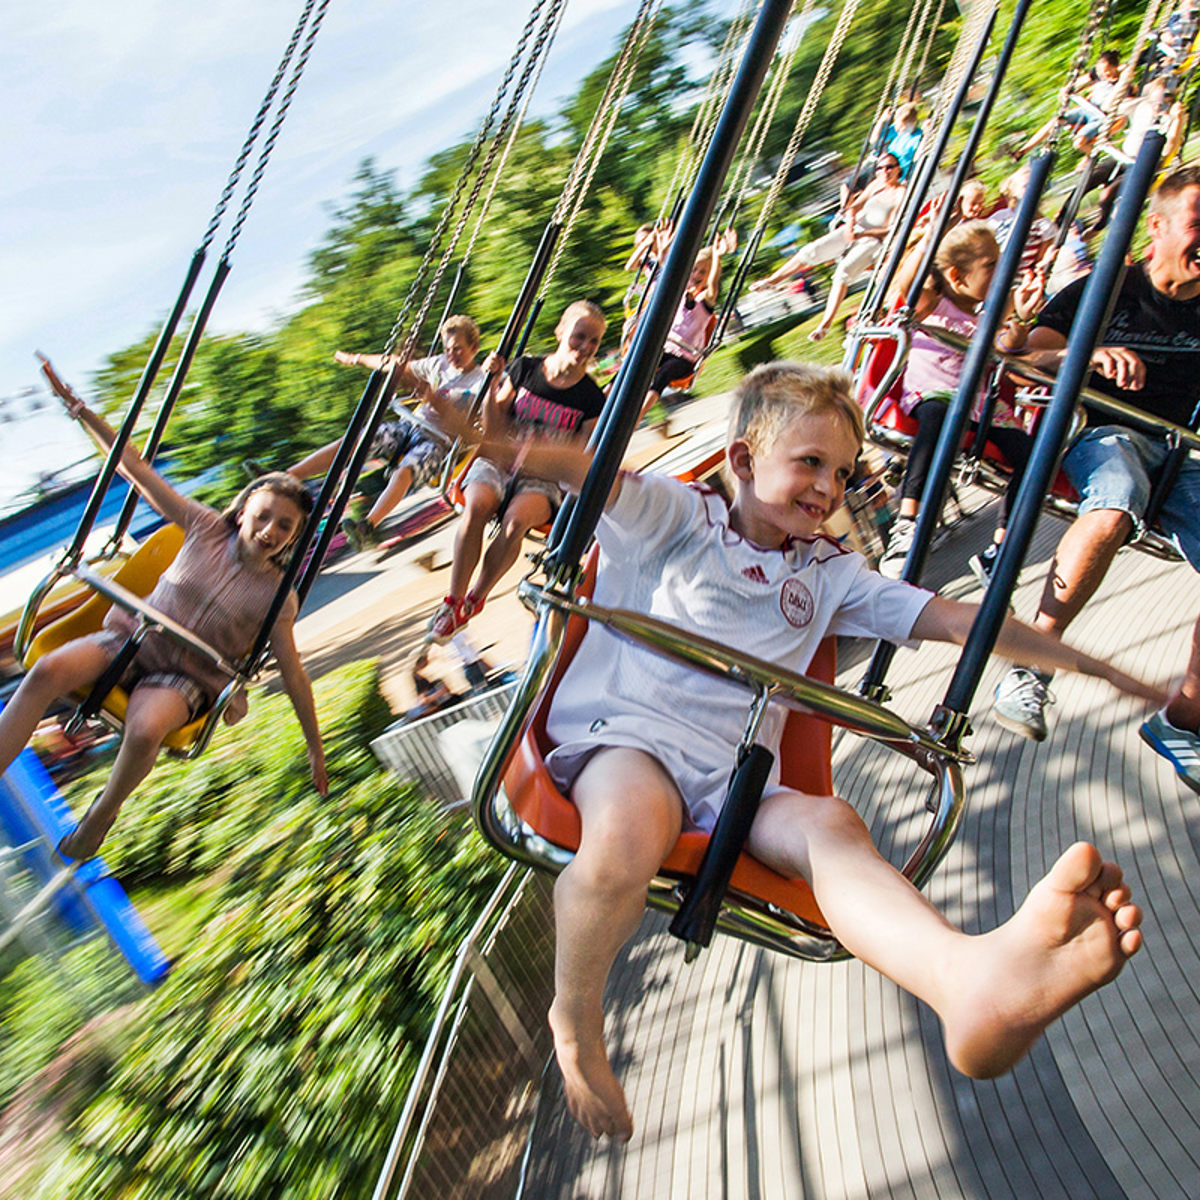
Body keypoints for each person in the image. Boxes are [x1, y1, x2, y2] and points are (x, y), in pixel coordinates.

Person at [431, 360, 1156, 1141]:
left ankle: (968, 983)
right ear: (743, 460)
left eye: (842, 470)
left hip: (739, 778)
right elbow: (588, 469)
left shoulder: (832, 573)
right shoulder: (674, 516)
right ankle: (574, 1025)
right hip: (626, 739)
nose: (829, 486)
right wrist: (495, 443)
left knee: (831, 827)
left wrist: (1098, 666)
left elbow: (951, 619)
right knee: (633, 823)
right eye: (809, 462)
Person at [6, 357, 328, 862]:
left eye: (284, 527)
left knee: (147, 727)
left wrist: (314, 744)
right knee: (47, 668)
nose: (270, 532)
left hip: (186, 678)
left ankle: (100, 818)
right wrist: (81, 410)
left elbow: (293, 673)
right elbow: (134, 467)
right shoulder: (201, 525)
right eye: (264, 517)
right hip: (132, 642)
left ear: (293, 537)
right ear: (244, 511)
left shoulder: (276, 598)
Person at [992, 165, 1200, 743]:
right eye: (1198, 224)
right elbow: (1028, 359)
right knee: (1117, 498)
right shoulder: (1106, 288)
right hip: (1103, 433)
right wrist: (1090, 354)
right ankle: (1031, 661)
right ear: (1156, 226)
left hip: (1178, 450)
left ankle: (1184, 719)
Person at [426, 300, 607, 644]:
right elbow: (493, 430)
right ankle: (453, 602)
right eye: (579, 337)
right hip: (500, 460)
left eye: (593, 341)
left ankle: (474, 599)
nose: (585, 347)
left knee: (515, 521)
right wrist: (493, 386)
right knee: (477, 506)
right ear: (560, 332)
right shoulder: (525, 369)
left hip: (542, 477)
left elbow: (579, 454)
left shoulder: (592, 399)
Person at [877, 222, 1044, 581]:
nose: (1002, 271)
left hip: (980, 403)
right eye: (991, 265)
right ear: (956, 275)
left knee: (1033, 457)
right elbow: (905, 283)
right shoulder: (934, 304)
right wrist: (929, 237)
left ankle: (1000, 547)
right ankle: (907, 522)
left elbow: (1008, 350)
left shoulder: (995, 308)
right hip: (936, 392)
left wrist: (1021, 321)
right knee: (938, 421)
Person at [287, 315, 485, 550]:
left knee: (404, 472)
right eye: (447, 349)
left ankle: (368, 525)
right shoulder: (439, 364)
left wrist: (432, 397)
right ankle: (289, 475)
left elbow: (471, 429)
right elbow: (395, 364)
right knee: (359, 439)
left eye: (458, 349)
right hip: (410, 426)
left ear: (474, 348)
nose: (451, 355)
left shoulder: (481, 382)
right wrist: (355, 359)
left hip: (439, 443)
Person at [752, 154, 906, 342]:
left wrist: (862, 235)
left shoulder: (901, 193)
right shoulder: (876, 185)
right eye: (880, 168)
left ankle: (825, 324)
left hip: (874, 239)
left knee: (843, 272)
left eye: (889, 167)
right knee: (811, 250)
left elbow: (891, 228)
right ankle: (773, 280)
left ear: (898, 168)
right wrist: (850, 225)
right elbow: (854, 208)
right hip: (856, 228)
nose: (885, 172)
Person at [633, 231, 735, 420]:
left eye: (703, 271)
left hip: (684, 359)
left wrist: (717, 257)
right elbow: (666, 275)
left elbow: (713, 287)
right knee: (638, 360)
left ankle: (637, 417)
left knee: (662, 374)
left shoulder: (705, 299)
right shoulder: (680, 292)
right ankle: (605, 398)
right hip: (666, 347)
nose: (697, 274)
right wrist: (662, 251)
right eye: (695, 269)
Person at [1014, 51, 1124, 160]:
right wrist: (1067, 90)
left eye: (1107, 71)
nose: (1104, 75)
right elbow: (1079, 82)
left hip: (1100, 117)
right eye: (1101, 72)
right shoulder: (1098, 75)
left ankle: (1093, 158)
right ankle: (1023, 150)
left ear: (1114, 68)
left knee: (1078, 143)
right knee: (1056, 121)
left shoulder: (1122, 82)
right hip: (1086, 110)